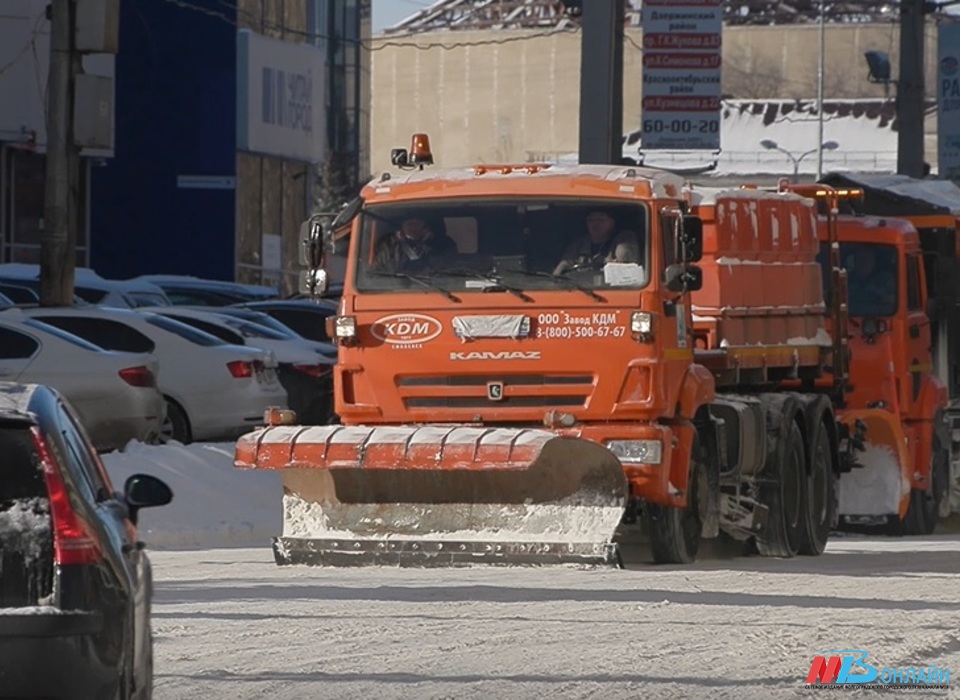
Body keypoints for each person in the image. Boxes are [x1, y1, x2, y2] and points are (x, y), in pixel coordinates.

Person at [553, 209, 641, 275]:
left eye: (601, 220)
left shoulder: (624, 238)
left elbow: (626, 263)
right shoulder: (579, 244)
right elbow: (563, 266)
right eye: (590, 220)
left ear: (612, 222)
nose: (595, 224)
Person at [372, 216, 457, 272]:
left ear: (425, 227)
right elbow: (386, 269)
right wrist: (402, 244)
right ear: (402, 226)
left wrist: (427, 244)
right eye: (410, 224)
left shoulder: (443, 244)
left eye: (417, 224)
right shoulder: (389, 243)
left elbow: (445, 268)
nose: (413, 228)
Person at [846, 246, 896, 314]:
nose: (862, 262)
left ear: (874, 260)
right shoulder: (846, 279)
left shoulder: (886, 280)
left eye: (866, 258)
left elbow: (894, 300)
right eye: (859, 258)